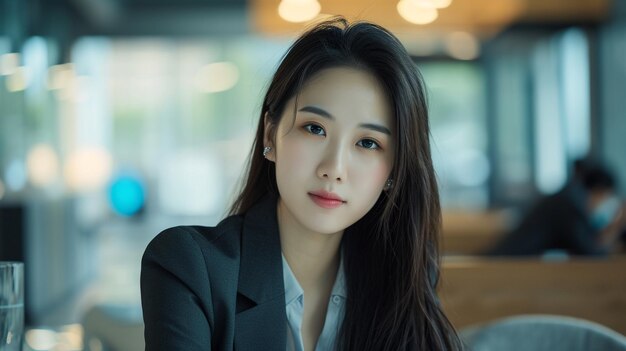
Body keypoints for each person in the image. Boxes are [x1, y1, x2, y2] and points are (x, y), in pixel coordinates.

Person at [141, 17, 463, 350]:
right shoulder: (190, 268)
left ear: (394, 170)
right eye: (315, 128)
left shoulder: (403, 282)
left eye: (368, 143)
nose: (334, 169)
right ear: (271, 134)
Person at [488, 159, 625, 256]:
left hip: (508, 264)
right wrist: (617, 225)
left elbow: (589, 241)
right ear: (599, 192)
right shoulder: (568, 204)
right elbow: (591, 252)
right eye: (606, 198)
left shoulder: (569, 198)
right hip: (501, 267)